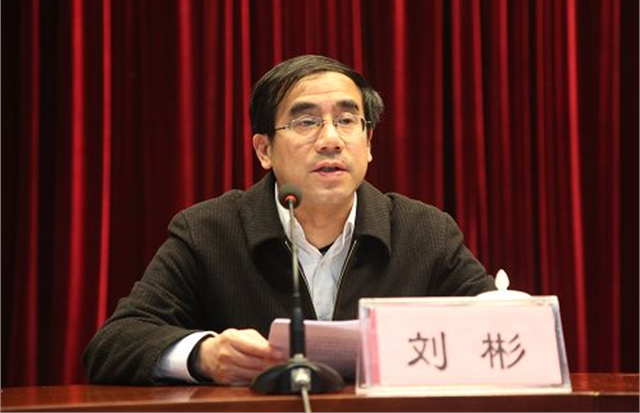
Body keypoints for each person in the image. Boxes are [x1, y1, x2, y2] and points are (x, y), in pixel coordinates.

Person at [83, 54, 494, 386]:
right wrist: (203, 355)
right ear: (264, 150)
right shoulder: (209, 232)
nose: (330, 139)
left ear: (368, 143)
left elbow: (498, 333)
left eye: (347, 121)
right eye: (306, 122)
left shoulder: (424, 232)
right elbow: (114, 343)